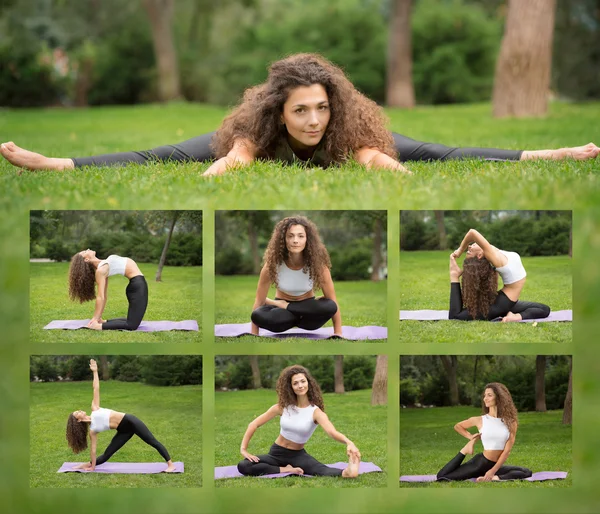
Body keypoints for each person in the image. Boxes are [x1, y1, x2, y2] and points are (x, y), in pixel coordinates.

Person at [2, 53, 598, 174]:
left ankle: (557, 152)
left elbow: (385, 160)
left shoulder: (352, 131)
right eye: (301, 111)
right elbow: (228, 163)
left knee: (446, 153)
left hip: (364, 142)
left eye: (320, 108)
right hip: (245, 139)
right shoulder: (256, 130)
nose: (312, 120)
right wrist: (237, 156)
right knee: (158, 154)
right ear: (279, 113)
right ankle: (57, 162)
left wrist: (375, 158)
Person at [236, 364, 361, 477]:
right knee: (244, 465)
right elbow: (254, 424)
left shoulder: (316, 413)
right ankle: (286, 469)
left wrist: (348, 442)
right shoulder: (282, 407)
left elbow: (332, 432)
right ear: (290, 387)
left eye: (303, 381)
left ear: (309, 383)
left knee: (321, 470)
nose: (300, 385)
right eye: (295, 383)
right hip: (275, 453)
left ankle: (348, 471)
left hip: (297, 455)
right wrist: (243, 449)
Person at [66, 359, 176, 472]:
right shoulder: (92, 431)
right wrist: (93, 467)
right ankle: (87, 464)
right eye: (77, 413)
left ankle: (170, 465)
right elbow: (93, 450)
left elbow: (96, 387)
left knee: (152, 441)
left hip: (130, 421)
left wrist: (95, 371)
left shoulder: (94, 408)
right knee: (107, 455)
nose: (79, 410)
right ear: (78, 421)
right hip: (123, 431)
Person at [250, 216, 342, 336]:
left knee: (330, 305)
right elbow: (259, 301)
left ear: (307, 239)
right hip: (283, 315)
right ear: (283, 239)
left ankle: (285, 305)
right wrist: (254, 333)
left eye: (300, 236)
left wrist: (338, 333)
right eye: (290, 236)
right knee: (258, 314)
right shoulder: (271, 266)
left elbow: (332, 301)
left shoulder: (319, 266)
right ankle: (283, 306)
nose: (295, 240)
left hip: (307, 314)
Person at [436, 382, 532, 482]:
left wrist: (492, 472)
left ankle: (495, 478)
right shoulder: (480, 420)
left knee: (526, 472)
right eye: (484, 395)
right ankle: (465, 450)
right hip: (480, 463)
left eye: (489, 395)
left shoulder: (511, 422)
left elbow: (506, 451)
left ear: (499, 397)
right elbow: (458, 426)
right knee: (443, 477)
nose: (485, 398)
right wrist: (470, 437)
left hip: (495, 465)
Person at [448, 228, 551, 322]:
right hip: (502, 303)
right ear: (480, 255)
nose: (469, 246)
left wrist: (517, 316)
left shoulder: (494, 251)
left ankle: (514, 317)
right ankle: (454, 275)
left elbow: (474, 236)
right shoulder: (493, 256)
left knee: (544, 309)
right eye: (469, 250)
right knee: (456, 316)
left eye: (469, 248)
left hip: (505, 301)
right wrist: (460, 250)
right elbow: (472, 232)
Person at [68, 249, 148, 330]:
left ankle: (103, 322)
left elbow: (104, 297)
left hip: (136, 286)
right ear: (86, 259)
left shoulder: (103, 265)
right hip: (138, 287)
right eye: (85, 252)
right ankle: (98, 326)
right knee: (131, 326)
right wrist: (95, 318)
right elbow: (101, 297)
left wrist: (98, 318)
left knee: (129, 320)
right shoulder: (101, 270)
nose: (88, 249)